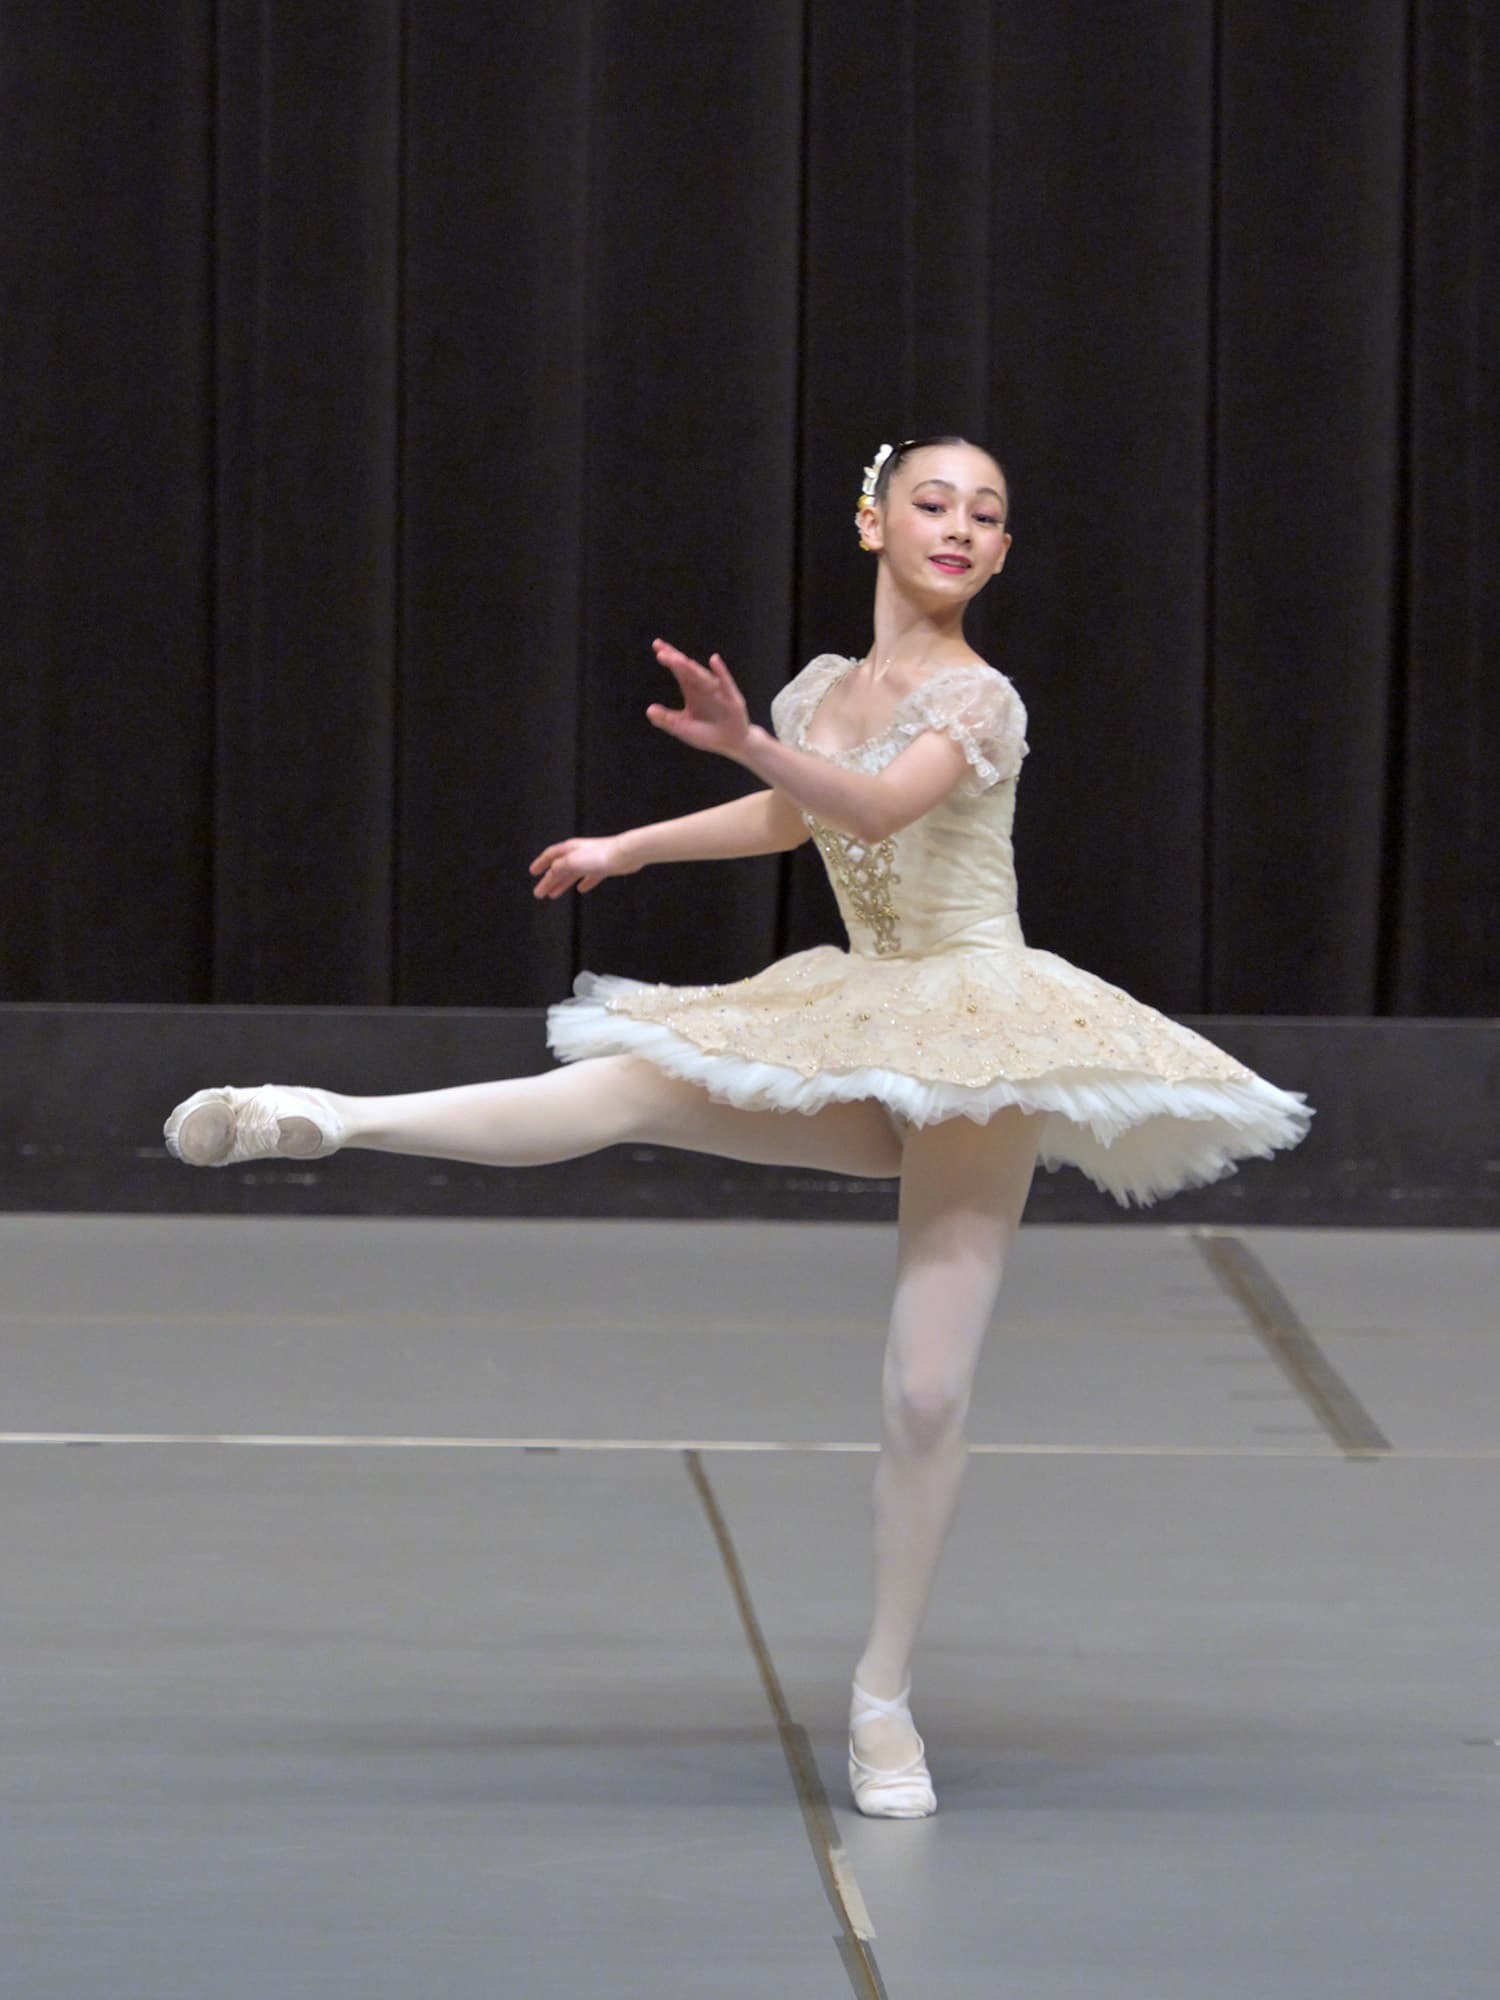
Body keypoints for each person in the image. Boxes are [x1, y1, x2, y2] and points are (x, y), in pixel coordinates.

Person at [165, 436, 1312, 1819]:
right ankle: (326, 1117)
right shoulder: (824, 688)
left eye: (986, 515)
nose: (958, 526)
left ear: (1004, 553)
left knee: (926, 1392)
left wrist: (753, 743)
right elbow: (793, 814)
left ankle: (881, 1698)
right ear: (873, 521)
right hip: (859, 1017)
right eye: (933, 502)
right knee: (625, 1090)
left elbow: (876, 807)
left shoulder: (980, 696)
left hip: (977, 1038)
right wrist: (634, 845)